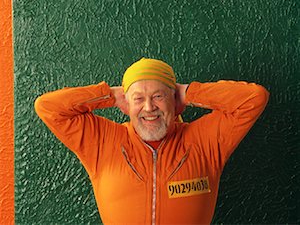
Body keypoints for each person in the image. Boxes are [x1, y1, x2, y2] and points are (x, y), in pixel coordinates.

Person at [35, 57, 269, 225]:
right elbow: (48, 107)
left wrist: (189, 93)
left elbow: (253, 99)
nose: (149, 108)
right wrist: (112, 95)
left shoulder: (204, 140)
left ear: (174, 100)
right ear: (127, 104)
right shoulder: (102, 141)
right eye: (138, 99)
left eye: (159, 96)